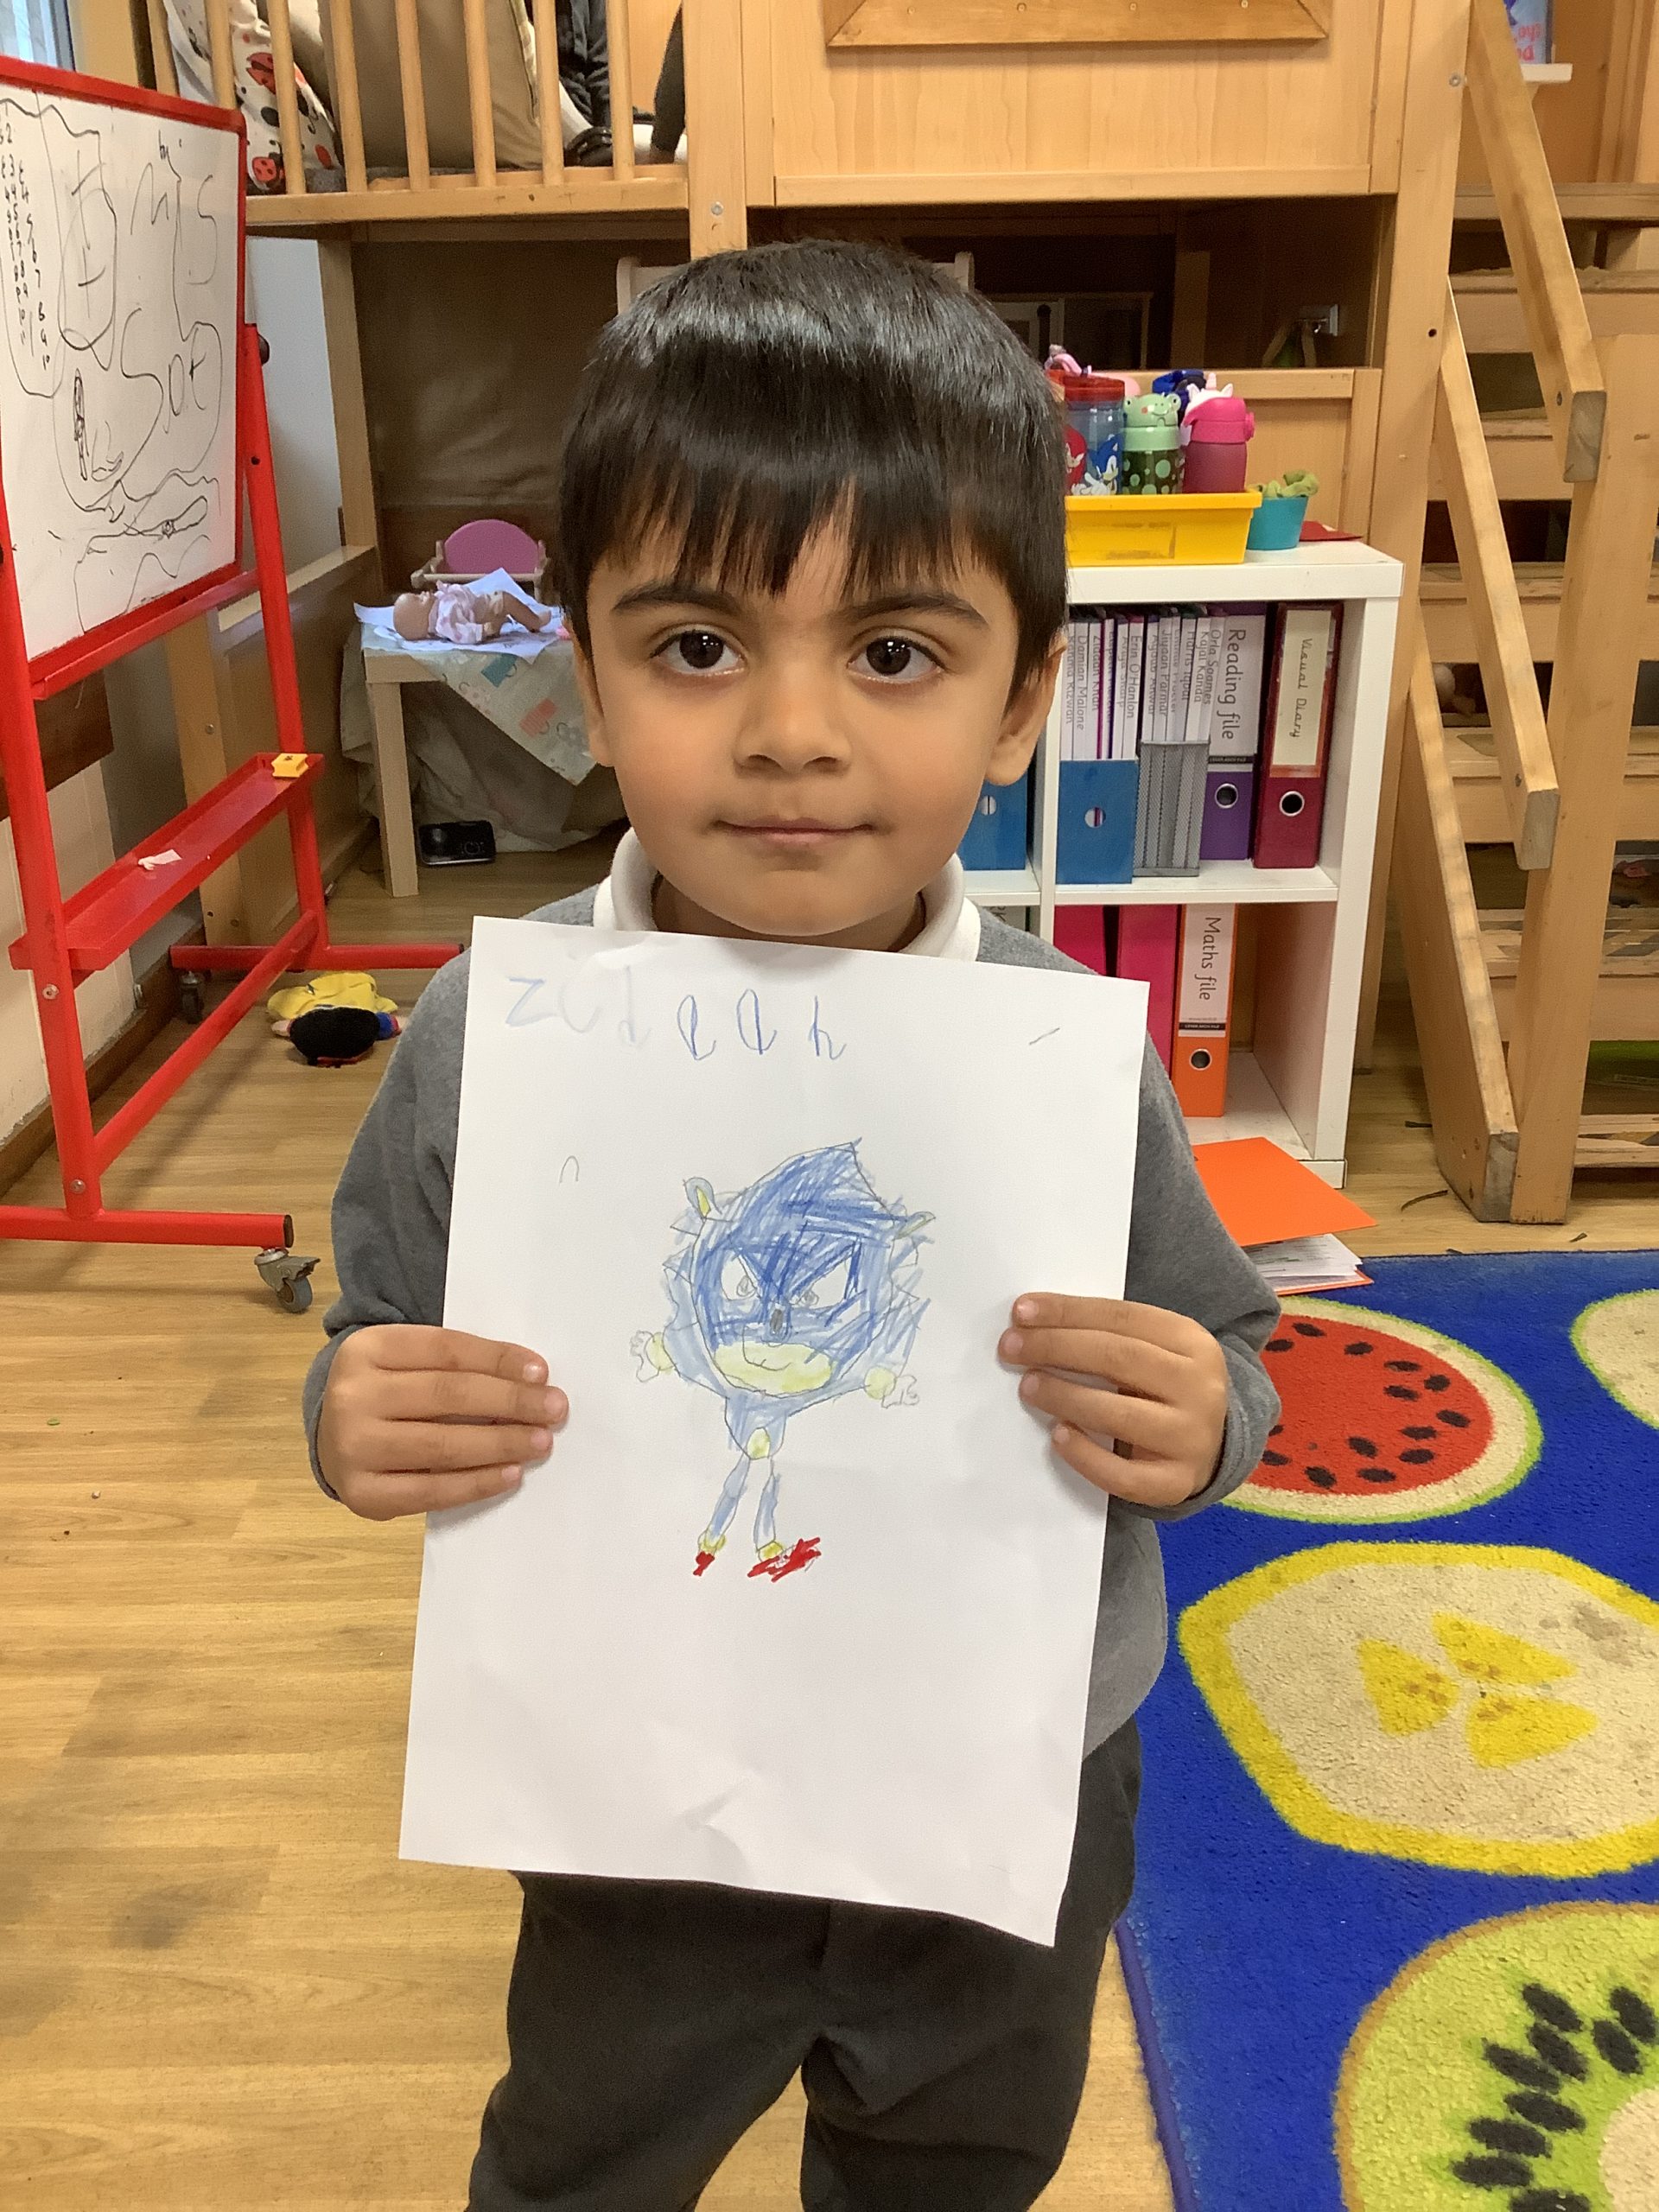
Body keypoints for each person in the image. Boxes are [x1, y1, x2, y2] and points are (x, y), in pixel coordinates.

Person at [304, 239, 1280, 2212]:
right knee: (583, 2156)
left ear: (1023, 701)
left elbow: (1227, 1351)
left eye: (896, 653)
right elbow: (376, 1334)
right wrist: (353, 1417)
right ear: (585, 679)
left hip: (1004, 1778)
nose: (792, 731)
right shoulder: (494, 1034)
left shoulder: (1062, 1057)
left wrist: (1202, 1423)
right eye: (695, 646)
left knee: (961, 2159)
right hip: (637, 1792)